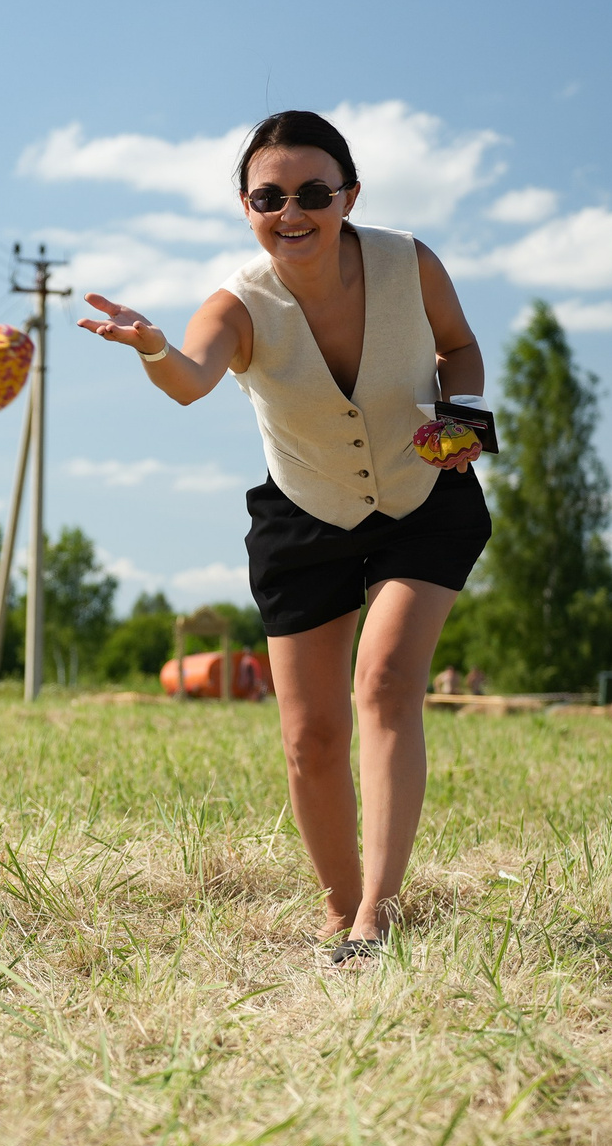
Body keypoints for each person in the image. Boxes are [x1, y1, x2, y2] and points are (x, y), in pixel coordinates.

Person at [79, 110, 488, 964]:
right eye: (270, 197)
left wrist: (462, 422)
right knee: (310, 738)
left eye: (313, 193)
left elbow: (458, 347)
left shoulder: (409, 262)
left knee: (386, 680)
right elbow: (190, 379)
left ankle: (379, 913)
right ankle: (339, 909)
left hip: (424, 494)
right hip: (304, 515)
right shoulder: (238, 304)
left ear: (349, 196)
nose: (291, 211)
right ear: (246, 206)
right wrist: (152, 345)